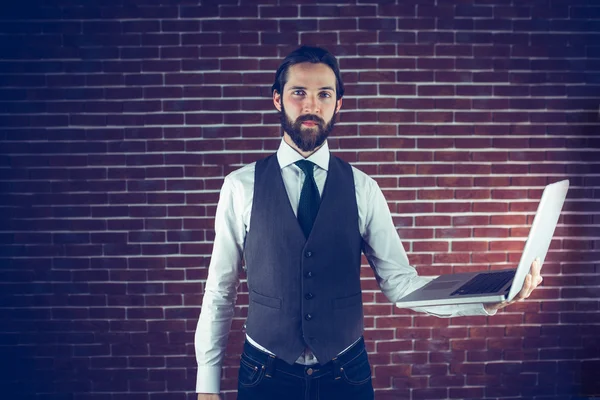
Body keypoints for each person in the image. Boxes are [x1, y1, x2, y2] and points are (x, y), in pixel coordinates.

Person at [195, 46, 543, 400]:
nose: (311, 105)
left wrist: (486, 296)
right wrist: (207, 384)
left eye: (324, 94)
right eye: (299, 92)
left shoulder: (364, 188)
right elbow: (221, 289)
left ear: (338, 104)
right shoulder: (240, 186)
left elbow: (400, 284)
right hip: (265, 373)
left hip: (345, 375)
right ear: (277, 100)